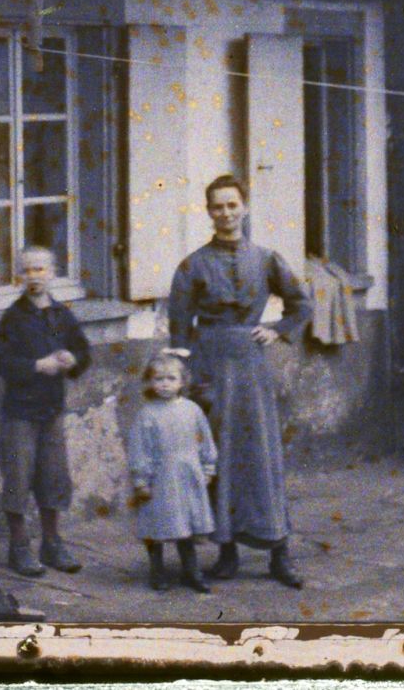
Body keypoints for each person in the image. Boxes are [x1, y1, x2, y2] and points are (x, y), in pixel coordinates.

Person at [166, 175, 313, 588]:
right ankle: (226, 550)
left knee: (263, 455)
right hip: (210, 363)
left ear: (244, 207)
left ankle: (279, 553)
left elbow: (302, 303)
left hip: (250, 365)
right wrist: (187, 378)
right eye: (217, 207)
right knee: (220, 456)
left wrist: (278, 328)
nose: (226, 214)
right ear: (208, 211)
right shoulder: (193, 264)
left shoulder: (267, 259)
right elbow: (179, 325)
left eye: (232, 205)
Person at [0, 245, 91, 577]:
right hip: (20, 413)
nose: (34, 277)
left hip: (51, 411)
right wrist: (37, 365)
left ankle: (52, 543)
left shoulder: (62, 315)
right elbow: (2, 363)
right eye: (27, 271)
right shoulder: (13, 318)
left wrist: (72, 360)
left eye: (40, 270)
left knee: (53, 476)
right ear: (18, 275)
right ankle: (19, 547)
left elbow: (82, 349)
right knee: (18, 478)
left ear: (52, 272)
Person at [126, 351, 218, 594]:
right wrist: (141, 480)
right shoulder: (147, 414)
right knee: (157, 524)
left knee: (184, 524)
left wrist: (208, 467)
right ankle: (157, 570)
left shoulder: (192, 410)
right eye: (158, 379)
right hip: (160, 478)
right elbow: (139, 449)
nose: (164, 384)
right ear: (150, 382)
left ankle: (191, 570)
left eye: (171, 378)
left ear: (182, 382)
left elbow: (204, 440)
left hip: (187, 475)